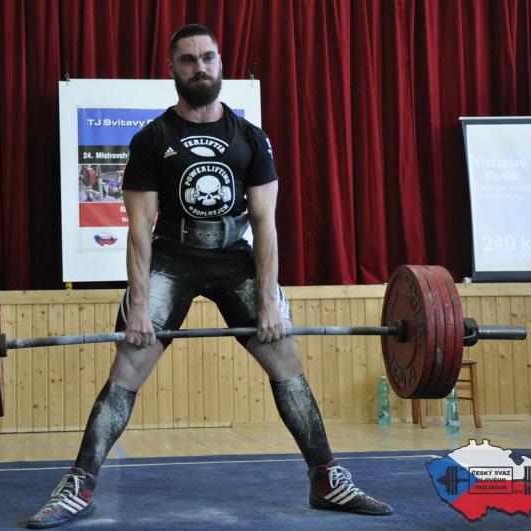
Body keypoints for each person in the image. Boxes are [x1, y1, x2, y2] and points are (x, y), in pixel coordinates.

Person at [27, 24, 392, 528]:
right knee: (130, 362)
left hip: (233, 256)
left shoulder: (250, 138)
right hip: (171, 257)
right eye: (188, 60)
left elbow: (265, 225)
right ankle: (79, 483)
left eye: (208, 57)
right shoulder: (151, 139)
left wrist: (269, 302)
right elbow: (138, 231)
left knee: (284, 355)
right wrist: (138, 308)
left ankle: (326, 479)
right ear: (172, 70)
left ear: (220, 63)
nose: (200, 67)